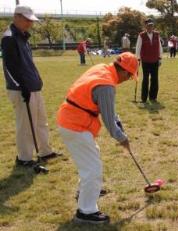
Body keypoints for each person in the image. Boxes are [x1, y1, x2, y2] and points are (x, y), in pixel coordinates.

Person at [56, 52, 138, 224]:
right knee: (93, 168)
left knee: (91, 159)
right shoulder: (106, 84)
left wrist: (118, 122)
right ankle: (85, 211)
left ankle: (85, 191)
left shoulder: (102, 69)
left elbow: (109, 110)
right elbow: (108, 121)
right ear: (123, 70)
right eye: (130, 75)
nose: (128, 79)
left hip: (70, 119)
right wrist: (122, 138)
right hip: (74, 124)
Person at [1, 5, 61, 167]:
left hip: (33, 86)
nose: (30, 23)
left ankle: (45, 151)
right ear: (17, 17)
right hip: (21, 89)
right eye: (27, 20)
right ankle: (24, 157)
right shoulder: (9, 38)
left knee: (41, 121)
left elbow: (28, 64)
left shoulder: (23, 36)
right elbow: (9, 66)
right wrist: (22, 87)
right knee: (26, 125)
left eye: (31, 20)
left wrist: (37, 79)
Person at [136, 18, 163, 104]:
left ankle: (153, 97)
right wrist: (138, 58)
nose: (150, 27)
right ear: (145, 26)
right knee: (145, 79)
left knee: (155, 79)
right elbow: (138, 47)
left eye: (151, 25)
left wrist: (160, 57)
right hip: (145, 61)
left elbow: (159, 46)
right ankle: (144, 98)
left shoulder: (157, 34)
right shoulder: (141, 35)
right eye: (148, 25)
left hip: (155, 60)